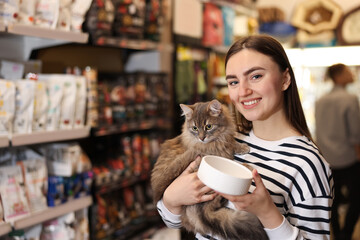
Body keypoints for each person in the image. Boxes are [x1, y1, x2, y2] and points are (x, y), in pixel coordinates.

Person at [157, 35, 333, 240]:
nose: (243, 91)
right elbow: (176, 222)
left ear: (285, 79)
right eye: (233, 81)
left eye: (256, 76)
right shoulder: (222, 140)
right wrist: (171, 199)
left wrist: (268, 213)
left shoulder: (307, 163)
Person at [315, 63, 360, 240]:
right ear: (338, 76)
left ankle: (334, 232)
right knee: (357, 198)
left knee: (331, 200)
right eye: (347, 71)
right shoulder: (350, 99)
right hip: (348, 158)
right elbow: (356, 133)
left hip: (327, 159)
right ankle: (346, 233)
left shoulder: (320, 100)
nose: (351, 73)